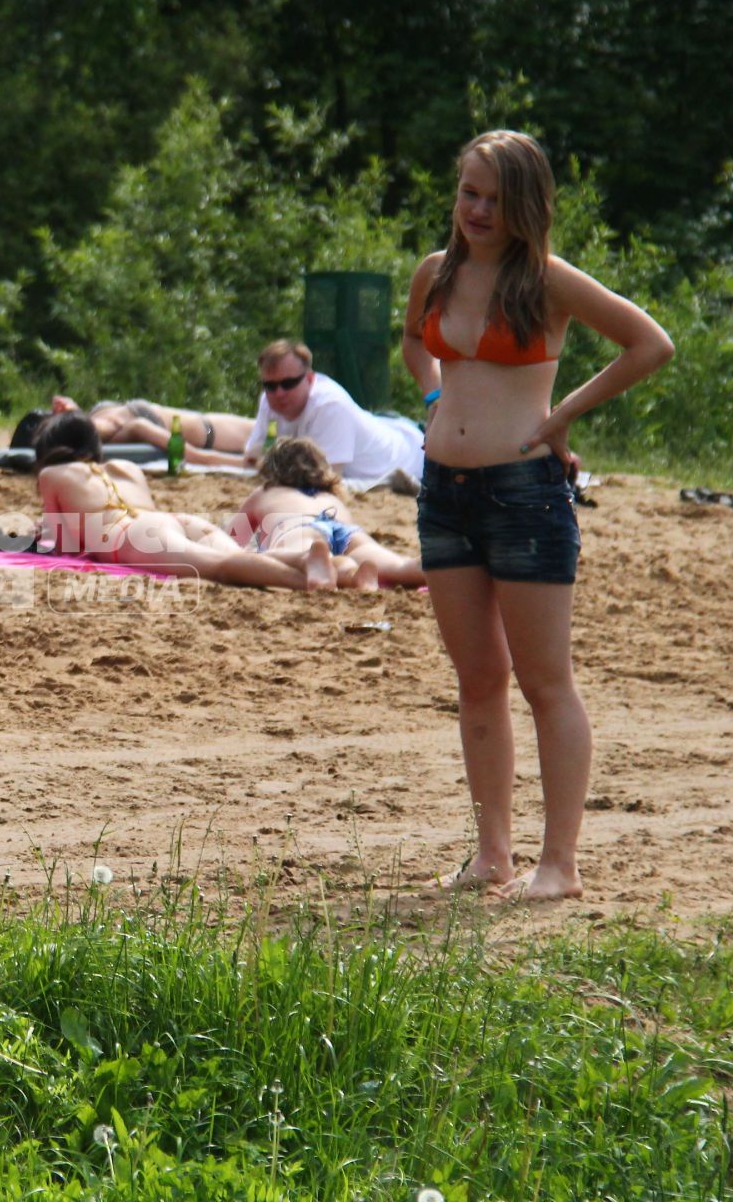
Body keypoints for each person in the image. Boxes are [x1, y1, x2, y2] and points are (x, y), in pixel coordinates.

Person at [399, 130, 673, 902]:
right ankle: (492, 855)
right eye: (468, 193)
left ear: (526, 205)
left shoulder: (547, 280)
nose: (478, 210)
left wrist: (561, 418)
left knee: (546, 681)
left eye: (495, 197)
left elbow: (650, 344)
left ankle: (560, 867)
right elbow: (417, 350)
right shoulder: (436, 274)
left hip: (525, 493)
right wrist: (434, 404)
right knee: (478, 678)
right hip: (443, 492)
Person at [32, 412, 351, 589]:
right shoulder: (126, 467)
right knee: (241, 556)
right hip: (176, 521)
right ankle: (336, 569)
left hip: (132, 536)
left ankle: (305, 577)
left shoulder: (53, 475)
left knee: (222, 569)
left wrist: (43, 531)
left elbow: (67, 547)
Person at [236, 437, 426, 587]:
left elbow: (233, 538)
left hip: (298, 525)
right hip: (343, 529)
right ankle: (416, 568)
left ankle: (341, 571)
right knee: (395, 565)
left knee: (294, 557)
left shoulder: (266, 491)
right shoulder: (329, 497)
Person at [240, 340, 426, 491]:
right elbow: (251, 458)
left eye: (289, 383)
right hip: (384, 424)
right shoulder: (268, 401)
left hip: (415, 452)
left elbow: (327, 478)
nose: (279, 393)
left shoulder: (328, 405)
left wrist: (262, 459)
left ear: (310, 378)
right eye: (270, 386)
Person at [46, 395, 255, 467]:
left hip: (210, 426)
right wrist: (242, 463)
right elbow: (196, 456)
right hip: (213, 433)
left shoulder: (107, 424)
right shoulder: (128, 429)